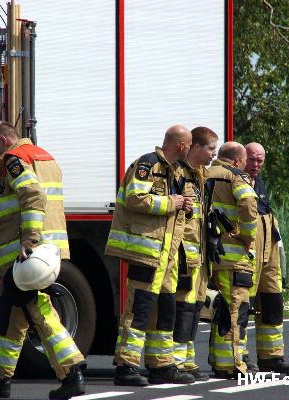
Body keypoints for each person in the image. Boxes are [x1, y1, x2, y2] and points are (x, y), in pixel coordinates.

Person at [0, 121, 86, 399]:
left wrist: (29, 240)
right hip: (47, 252)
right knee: (10, 317)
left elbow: (33, 195)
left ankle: (72, 371)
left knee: (39, 313)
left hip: (27, 256)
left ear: (5, 140)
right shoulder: (45, 157)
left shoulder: (15, 160)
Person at [107, 125, 196, 386]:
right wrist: (172, 202)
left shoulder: (176, 170)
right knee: (139, 309)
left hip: (166, 257)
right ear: (181, 145)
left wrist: (184, 207)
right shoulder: (147, 164)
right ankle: (126, 366)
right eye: (189, 144)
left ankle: (162, 366)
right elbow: (135, 197)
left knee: (165, 311)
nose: (190, 149)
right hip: (147, 254)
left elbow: (175, 211)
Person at [240, 142, 289, 374]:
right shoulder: (236, 180)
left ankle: (272, 357)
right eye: (252, 159)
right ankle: (240, 355)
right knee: (243, 303)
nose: (256, 165)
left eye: (260, 160)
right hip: (249, 248)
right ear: (242, 158)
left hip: (269, 249)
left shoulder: (258, 181)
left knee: (273, 301)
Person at [206, 142, 258, 379]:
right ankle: (233, 363)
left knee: (218, 310)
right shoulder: (236, 176)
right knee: (236, 309)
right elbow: (248, 204)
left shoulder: (203, 174)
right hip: (234, 256)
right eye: (246, 161)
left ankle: (219, 360)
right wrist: (247, 236)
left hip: (209, 254)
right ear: (237, 161)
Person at [171, 126, 218, 381]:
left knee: (196, 306)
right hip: (183, 255)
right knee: (183, 308)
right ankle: (176, 362)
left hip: (199, 255)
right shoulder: (178, 173)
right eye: (211, 148)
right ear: (196, 147)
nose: (214, 154)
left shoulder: (201, 176)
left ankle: (187, 361)